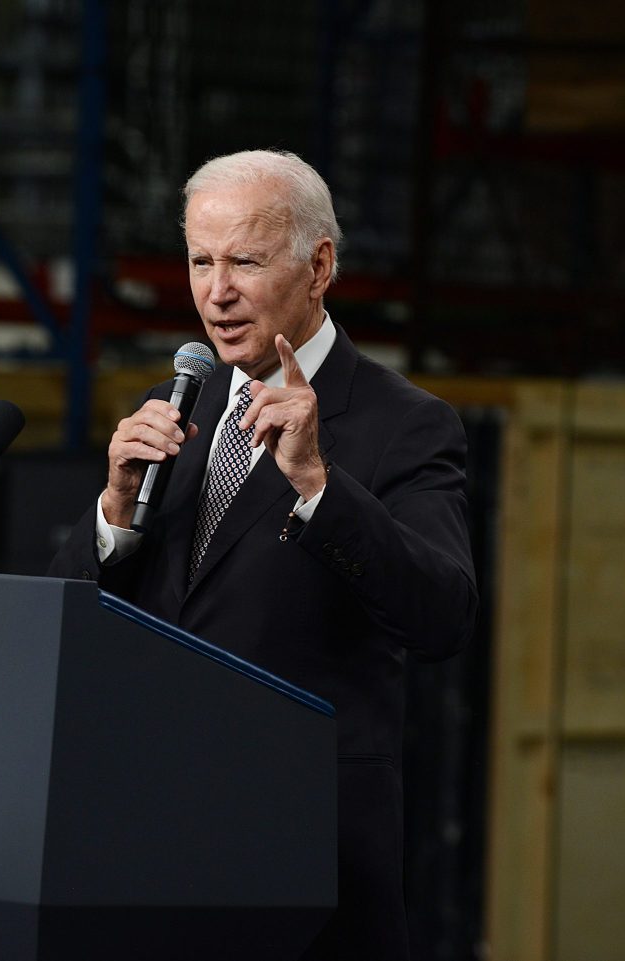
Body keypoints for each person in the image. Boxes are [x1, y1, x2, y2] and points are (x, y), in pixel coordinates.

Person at [49, 149, 477, 960]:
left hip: (306, 876)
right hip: (152, 859)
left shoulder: (406, 425)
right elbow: (66, 622)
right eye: (201, 261)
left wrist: (319, 483)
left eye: (245, 260)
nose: (217, 292)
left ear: (320, 266)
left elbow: (444, 612)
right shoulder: (185, 403)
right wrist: (112, 514)